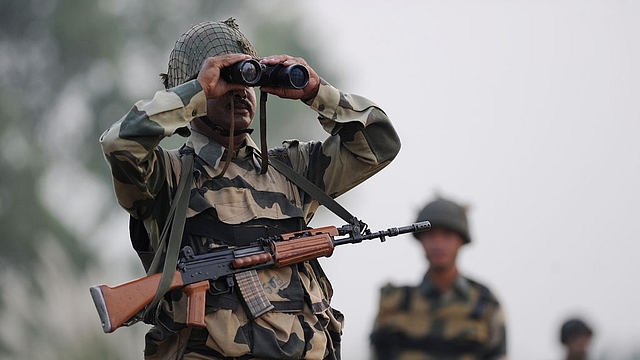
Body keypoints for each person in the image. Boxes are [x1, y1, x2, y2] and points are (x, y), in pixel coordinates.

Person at [100, 18, 400, 360]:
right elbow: (118, 144)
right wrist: (195, 93)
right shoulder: (169, 175)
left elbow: (381, 143)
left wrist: (318, 93)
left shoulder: (292, 169)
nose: (241, 90)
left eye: (249, 78)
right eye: (228, 79)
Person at [369, 197, 507, 360]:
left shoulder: (485, 303)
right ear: (420, 240)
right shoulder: (395, 302)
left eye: (447, 235)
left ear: (461, 240)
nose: (438, 243)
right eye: (430, 235)